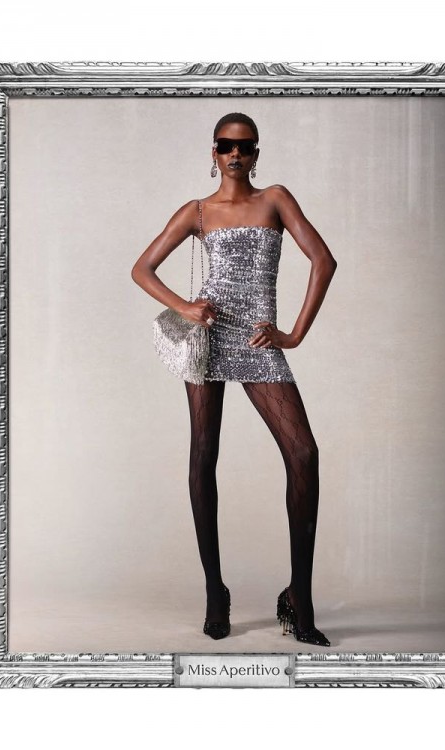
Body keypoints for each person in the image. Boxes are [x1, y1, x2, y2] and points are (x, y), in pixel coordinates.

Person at [131, 113, 337, 647]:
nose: (235, 154)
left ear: (256, 153)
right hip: (208, 338)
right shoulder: (198, 211)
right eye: (226, 145)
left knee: (304, 454)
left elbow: (323, 260)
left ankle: (299, 598)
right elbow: (142, 268)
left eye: (244, 146)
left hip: (257, 341)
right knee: (203, 455)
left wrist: (293, 334)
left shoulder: (275, 199)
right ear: (214, 152)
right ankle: (214, 593)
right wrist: (185, 307)